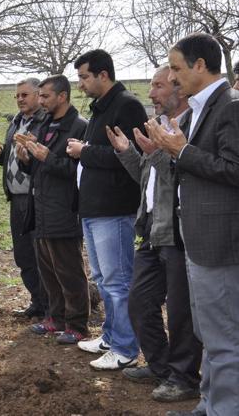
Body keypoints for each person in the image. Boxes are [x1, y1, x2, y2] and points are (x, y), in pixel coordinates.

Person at [146, 33, 239, 416]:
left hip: (219, 244)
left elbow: (234, 169)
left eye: (177, 67)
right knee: (207, 333)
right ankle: (209, 401)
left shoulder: (230, 106)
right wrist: (170, 152)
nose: (172, 75)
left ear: (201, 65)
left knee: (225, 337)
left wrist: (181, 151)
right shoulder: (200, 107)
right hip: (196, 238)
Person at [105, 66, 201, 403]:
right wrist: (128, 153)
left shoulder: (189, 128)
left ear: (179, 89)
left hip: (177, 234)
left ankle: (184, 377)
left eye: (158, 86)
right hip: (152, 232)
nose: (151, 94)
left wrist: (159, 152)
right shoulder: (160, 127)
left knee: (179, 313)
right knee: (140, 303)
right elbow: (147, 183)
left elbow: (185, 179)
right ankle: (162, 368)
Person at [67, 49, 147, 370]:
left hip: (114, 207)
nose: (81, 84)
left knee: (117, 281)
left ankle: (126, 348)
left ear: (103, 75)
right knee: (103, 279)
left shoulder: (126, 105)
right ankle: (111, 337)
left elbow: (129, 156)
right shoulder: (101, 107)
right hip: (94, 208)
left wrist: (83, 151)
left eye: (85, 76)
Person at [15, 75, 90, 344]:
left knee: (69, 271)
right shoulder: (45, 124)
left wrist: (48, 157)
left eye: (45, 96)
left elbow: (77, 171)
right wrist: (26, 160)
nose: (41, 101)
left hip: (63, 209)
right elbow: (38, 167)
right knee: (48, 270)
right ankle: (55, 318)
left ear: (62, 96)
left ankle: (78, 324)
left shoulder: (80, 127)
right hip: (41, 209)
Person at [0, 78, 48, 319]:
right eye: (17, 96)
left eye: (25, 95)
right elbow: (11, 159)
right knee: (23, 254)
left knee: (42, 254)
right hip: (16, 198)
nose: (20, 99)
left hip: (38, 198)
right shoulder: (15, 123)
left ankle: (51, 305)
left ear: (38, 95)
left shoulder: (46, 122)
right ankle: (37, 301)